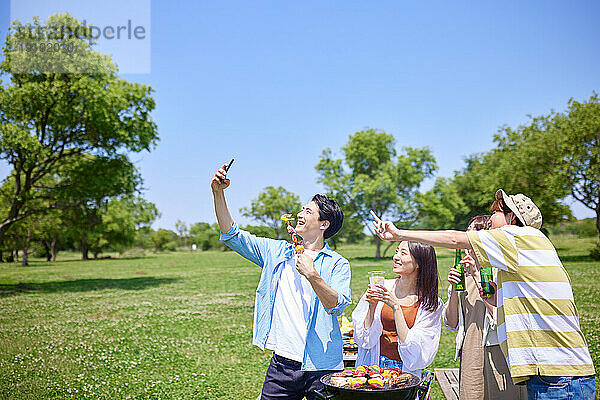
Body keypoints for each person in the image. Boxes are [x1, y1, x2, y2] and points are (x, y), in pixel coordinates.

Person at [370, 190, 595, 400]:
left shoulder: (517, 238)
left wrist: (398, 234)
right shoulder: (532, 249)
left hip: (557, 375)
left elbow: (453, 239)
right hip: (555, 372)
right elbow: (502, 308)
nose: (490, 220)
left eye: (496, 212)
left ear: (512, 219)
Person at [211, 163, 351, 400]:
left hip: (323, 367)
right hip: (283, 365)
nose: (300, 214)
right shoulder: (276, 252)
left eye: (308, 211)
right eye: (302, 209)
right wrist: (218, 192)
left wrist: (313, 275)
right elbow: (233, 235)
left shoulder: (338, 264)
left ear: (323, 224)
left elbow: (337, 306)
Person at [444, 215, 526, 399]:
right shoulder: (460, 272)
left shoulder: (499, 270)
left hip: (498, 348)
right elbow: (451, 323)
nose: (467, 236)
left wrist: (476, 274)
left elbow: (500, 315)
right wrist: (455, 291)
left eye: (474, 231)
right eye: (467, 231)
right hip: (471, 349)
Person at [351, 241, 443, 377]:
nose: (395, 257)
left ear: (418, 263)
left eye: (403, 253)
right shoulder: (381, 287)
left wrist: (396, 307)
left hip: (405, 372)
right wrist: (372, 306)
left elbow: (416, 352)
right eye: (396, 251)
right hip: (374, 366)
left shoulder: (430, 304)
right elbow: (363, 339)